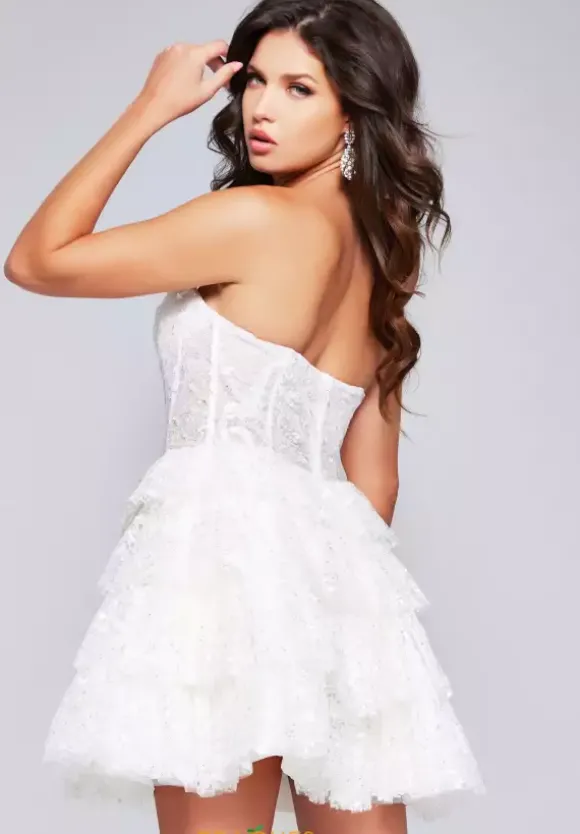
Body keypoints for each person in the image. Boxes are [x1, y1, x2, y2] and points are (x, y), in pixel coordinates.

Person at [4, 1, 486, 832]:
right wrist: (326, 608)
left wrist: (149, 107)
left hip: (215, 561)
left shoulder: (253, 221)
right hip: (341, 579)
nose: (261, 107)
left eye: (300, 88)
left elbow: (36, 260)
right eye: (256, 81)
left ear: (354, 111)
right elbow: (375, 485)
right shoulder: (385, 262)